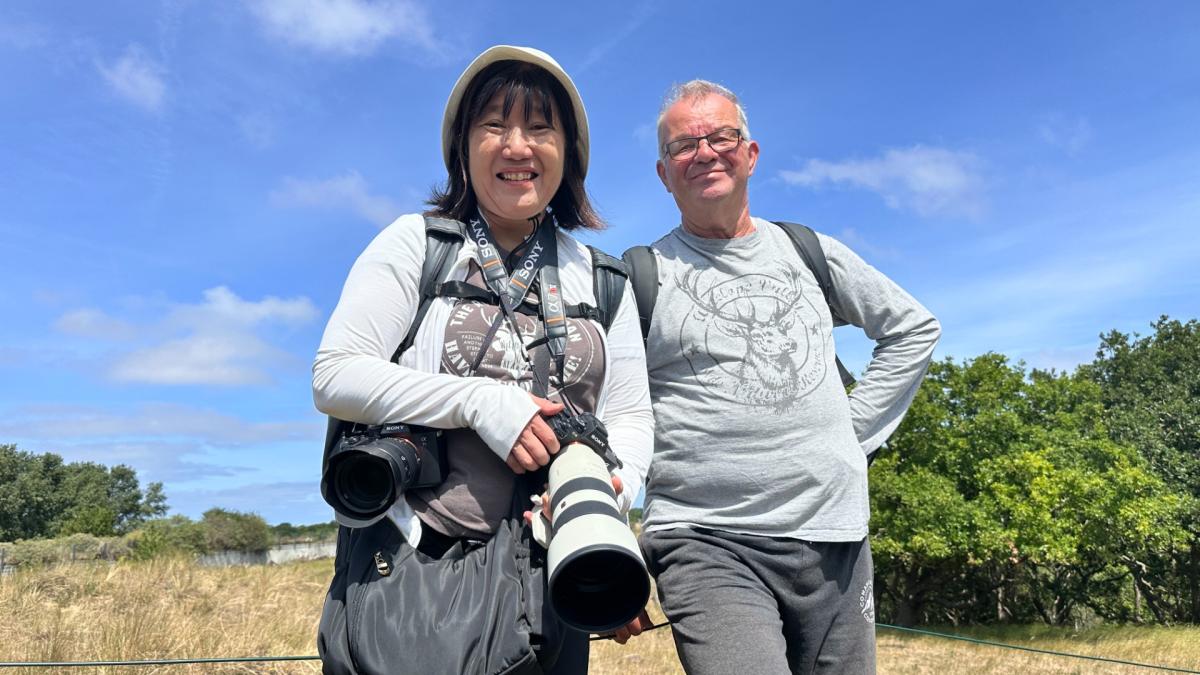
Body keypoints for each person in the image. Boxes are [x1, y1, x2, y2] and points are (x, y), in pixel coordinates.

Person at [312, 45, 653, 674]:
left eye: (540, 127)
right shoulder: (419, 244)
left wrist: (610, 505)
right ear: (462, 147)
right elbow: (335, 373)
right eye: (494, 124)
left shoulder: (606, 280)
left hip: (554, 578)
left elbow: (631, 417)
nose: (517, 146)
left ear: (569, 152)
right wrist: (479, 401)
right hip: (420, 572)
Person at [632, 80, 941, 674]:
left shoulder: (807, 250)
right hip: (706, 540)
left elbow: (912, 328)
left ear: (750, 154)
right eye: (683, 145)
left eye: (722, 136)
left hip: (836, 534)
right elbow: (610, 407)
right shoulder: (639, 276)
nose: (704, 151)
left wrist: (849, 434)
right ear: (663, 173)